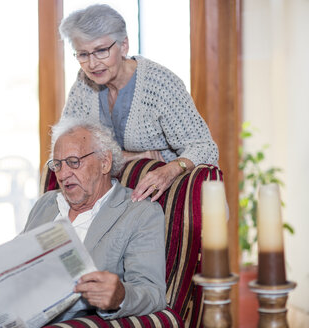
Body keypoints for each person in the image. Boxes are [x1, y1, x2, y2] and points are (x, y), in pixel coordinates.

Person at [59, 4, 219, 202]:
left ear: (124, 45)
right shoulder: (83, 84)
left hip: (166, 199)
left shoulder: (160, 83)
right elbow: (66, 147)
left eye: (101, 51)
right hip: (114, 202)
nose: (92, 64)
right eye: (83, 54)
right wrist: (137, 155)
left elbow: (205, 147)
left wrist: (170, 169)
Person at [23, 117, 166, 322]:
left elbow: (153, 293)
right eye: (58, 164)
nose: (63, 175)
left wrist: (120, 296)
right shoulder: (46, 204)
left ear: (105, 162)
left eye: (73, 162)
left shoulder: (140, 213)